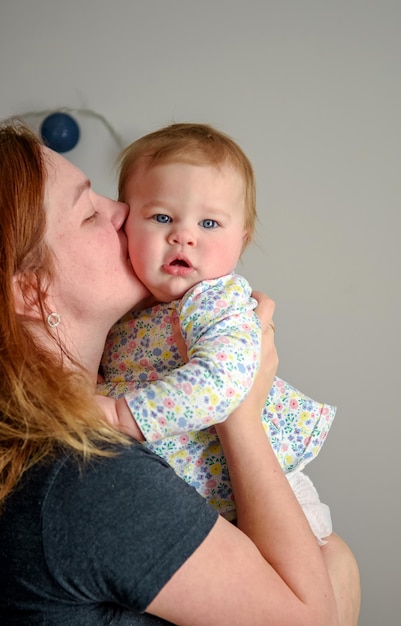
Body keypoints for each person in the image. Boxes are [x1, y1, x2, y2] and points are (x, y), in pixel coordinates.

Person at [0, 121, 360, 625]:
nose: (122, 212)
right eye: (90, 212)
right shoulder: (84, 477)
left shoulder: (54, 446)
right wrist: (243, 413)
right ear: (30, 291)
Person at [98, 123, 334, 541]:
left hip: (272, 496)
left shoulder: (215, 300)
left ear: (240, 242)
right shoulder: (130, 310)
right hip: (204, 504)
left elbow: (220, 381)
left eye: (209, 224)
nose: (183, 236)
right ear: (124, 225)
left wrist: (122, 414)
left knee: (301, 592)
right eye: (162, 217)